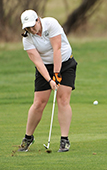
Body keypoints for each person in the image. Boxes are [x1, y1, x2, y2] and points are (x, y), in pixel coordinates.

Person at [18, 9, 77, 153]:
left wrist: (56, 74)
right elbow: (37, 62)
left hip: (65, 63)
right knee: (39, 103)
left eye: (33, 25)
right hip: (45, 68)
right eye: (28, 28)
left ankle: (64, 140)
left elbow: (57, 48)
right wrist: (50, 79)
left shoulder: (51, 23)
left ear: (38, 19)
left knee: (63, 99)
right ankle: (28, 137)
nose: (32, 29)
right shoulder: (27, 39)